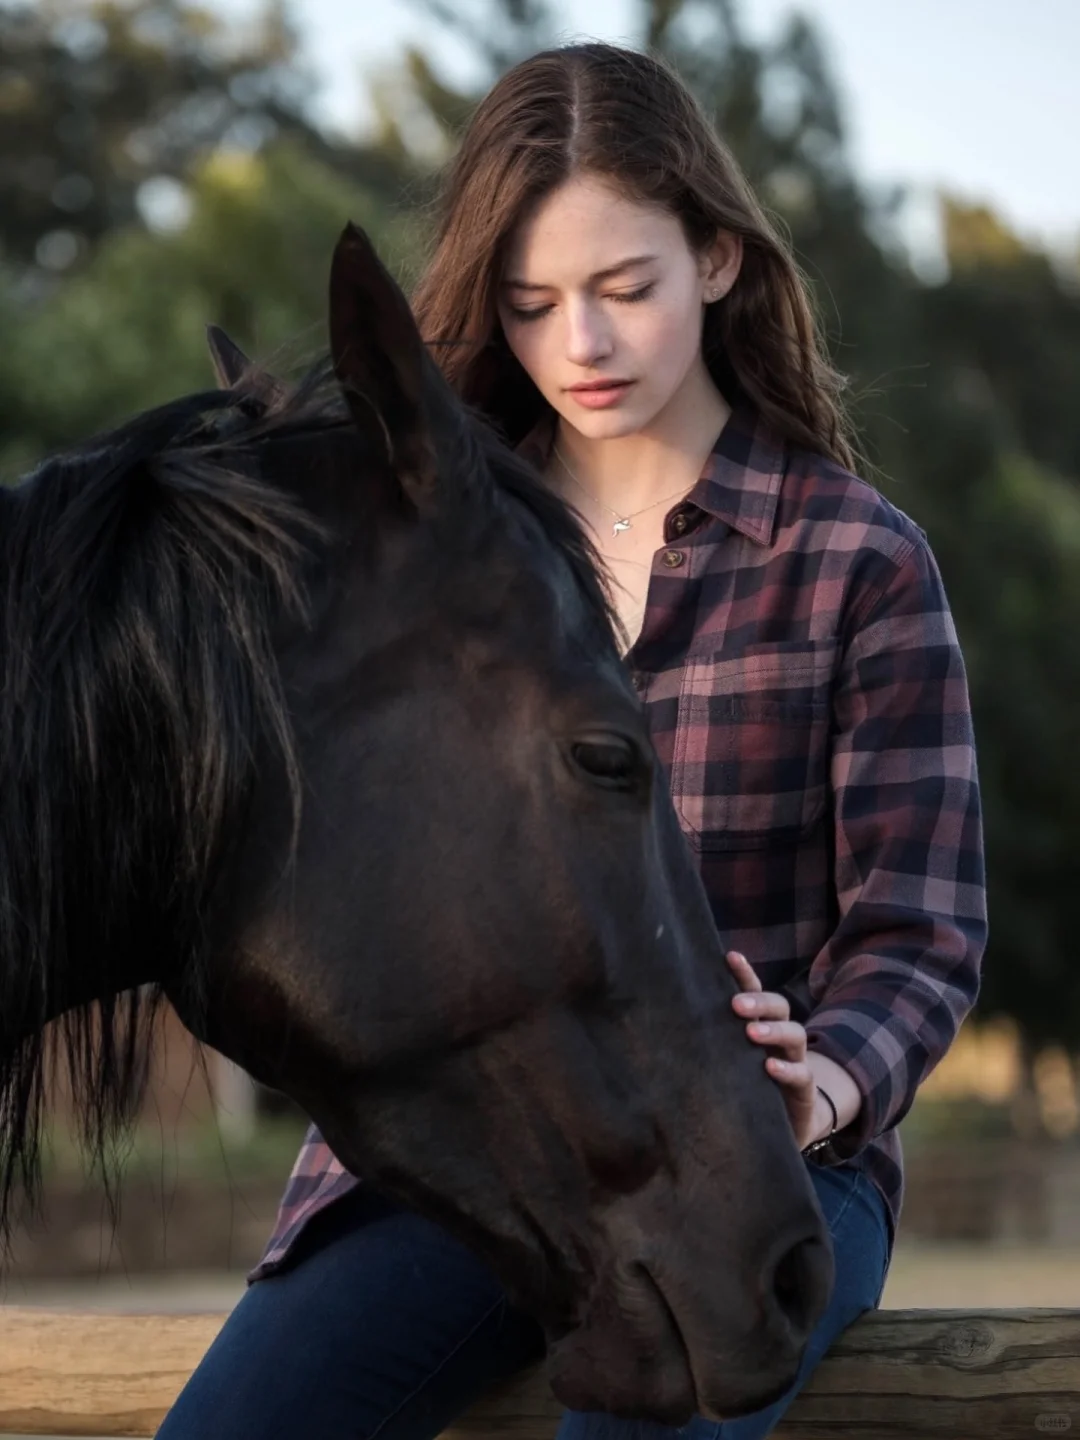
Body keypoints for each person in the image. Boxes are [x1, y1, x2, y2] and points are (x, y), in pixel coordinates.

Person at [158, 41, 987, 1440]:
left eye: (624, 289)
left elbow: (921, 932)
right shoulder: (423, 561)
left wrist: (826, 1082)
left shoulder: (861, 562)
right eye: (533, 305)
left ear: (718, 259)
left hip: (761, 1166)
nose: (580, 347)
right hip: (465, 1158)